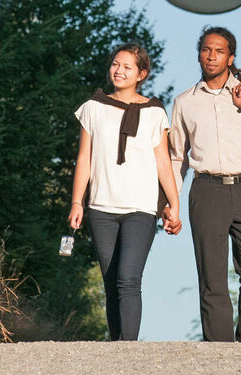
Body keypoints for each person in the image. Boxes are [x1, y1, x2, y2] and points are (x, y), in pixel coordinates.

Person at [166, 27, 241, 343]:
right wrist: (169, 203)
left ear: (230, 57)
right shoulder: (184, 102)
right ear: (199, 54)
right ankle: (219, 351)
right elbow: (177, 157)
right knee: (212, 277)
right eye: (206, 49)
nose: (211, 55)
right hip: (207, 192)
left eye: (219, 50)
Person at [68, 42, 181, 341]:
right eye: (115, 64)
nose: (119, 71)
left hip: (140, 209)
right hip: (101, 207)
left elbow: (162, 161)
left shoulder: (155, 112)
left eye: (127, 66)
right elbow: (84, 159)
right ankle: (115, 346)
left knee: (128, 279)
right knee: (110, 282)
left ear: (141, 73)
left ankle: (128, 348)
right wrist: (77, 202)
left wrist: (174, 203)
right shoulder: (93, 108)